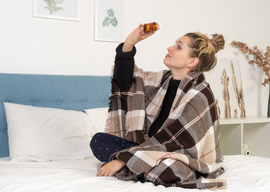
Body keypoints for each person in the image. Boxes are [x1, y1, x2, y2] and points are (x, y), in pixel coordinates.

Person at [90, 24, 226, 189]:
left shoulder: (200, 93)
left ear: (192, 61)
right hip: (151, 150)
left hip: (179, 157)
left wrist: (123, 158)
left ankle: (131, 164)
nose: (170, 48)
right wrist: (130, 42)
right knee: (98, 140)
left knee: (169, 168)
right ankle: (137, 164)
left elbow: (176, 140)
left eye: (178, 47)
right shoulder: (161, 81)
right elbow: (125, 82)